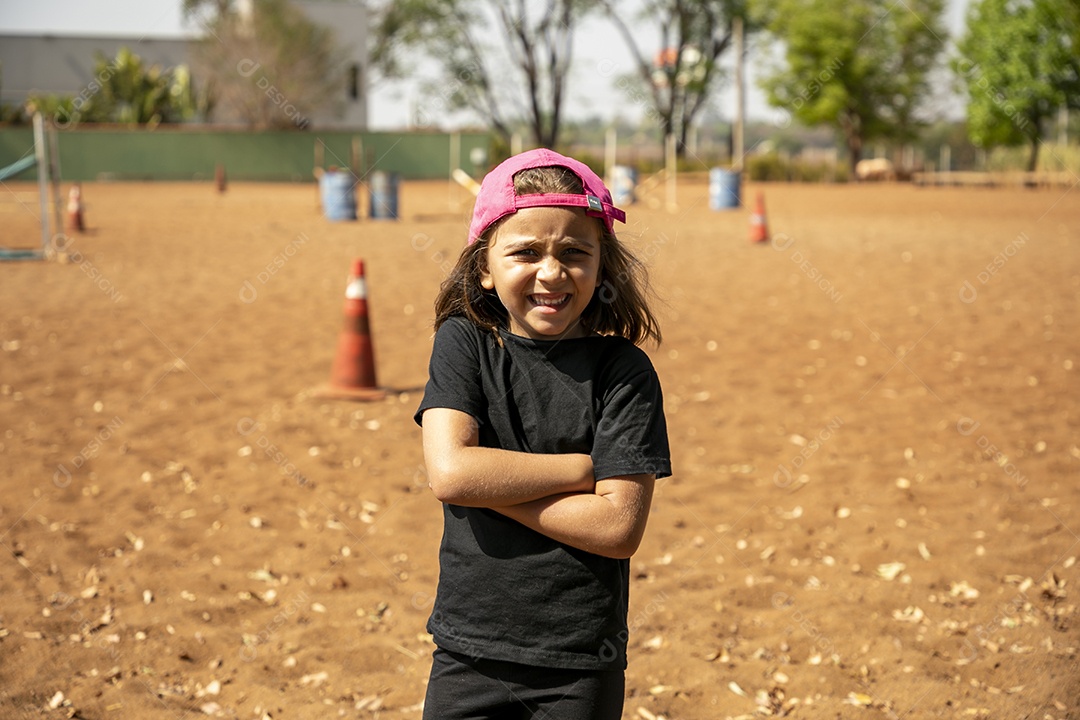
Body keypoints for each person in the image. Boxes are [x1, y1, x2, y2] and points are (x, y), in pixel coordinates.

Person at [414, 148, 671, 719]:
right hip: (467, 652)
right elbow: (451, 472)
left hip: (580, 661)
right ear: (484, 265)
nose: (551, 273)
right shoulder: (464, 344)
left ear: (603, 266)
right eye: (525, 252)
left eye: (575, 253)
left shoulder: (623, 371)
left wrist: (491, 485)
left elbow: (617, 527)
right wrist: (579, 472)